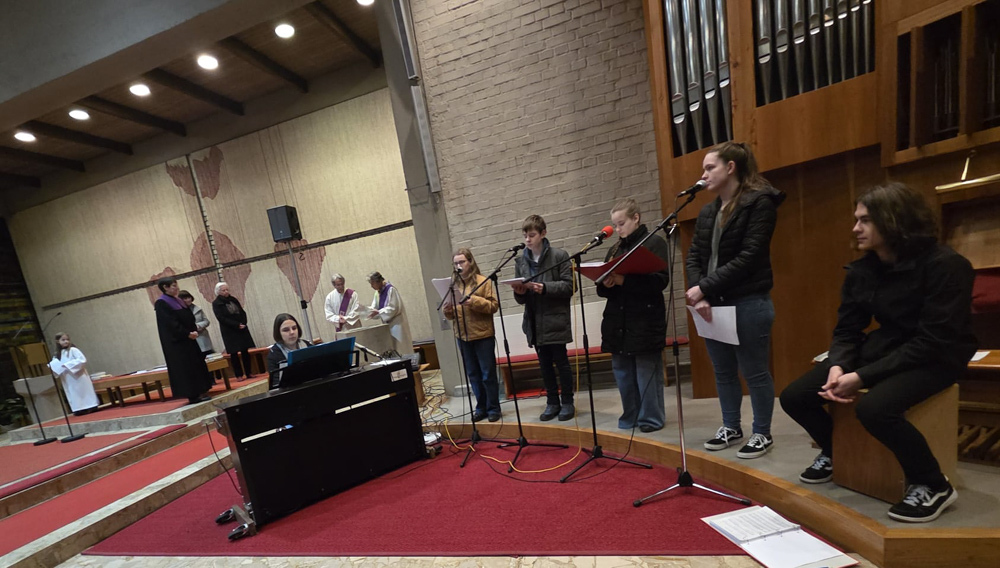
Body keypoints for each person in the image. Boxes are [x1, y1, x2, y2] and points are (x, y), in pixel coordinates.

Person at [780, 182, 976, 523]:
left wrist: (861, 377)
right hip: (890, 345)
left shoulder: (947, 265)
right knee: (795, 396)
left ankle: (933, 484)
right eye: (857, 219)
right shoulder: (863, 270)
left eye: (865, 220)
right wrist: (838, 365)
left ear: (895, 220)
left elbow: (933, 340)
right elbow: (847, 329)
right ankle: (836, 452)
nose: (856, 228)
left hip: (939, 354)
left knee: (875, 408)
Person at [685, 141, 786, 459]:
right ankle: (731, 426)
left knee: (754, 372)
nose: (703, 174)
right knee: (723, 371)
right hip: (712, 304)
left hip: (748, 301)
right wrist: (700, 293)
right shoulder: (708, 211)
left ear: (731, 168)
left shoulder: (759, 203)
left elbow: (749, 256)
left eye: (709, 167)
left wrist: (704, 288)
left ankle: (762, 432)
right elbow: (694, 256)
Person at [597, 198, 670, 433]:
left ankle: (650, 418)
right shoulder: (614, 249)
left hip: (644, 319)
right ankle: (631, 414)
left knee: (646, 372)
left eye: (621, 223)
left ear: (636, 218)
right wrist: (606, 283)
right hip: (617, 320)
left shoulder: (654, 243)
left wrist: (624, 281)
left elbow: (660, 281)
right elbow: (602, 288)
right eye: (615, 225)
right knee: (623, 374)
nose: (618, 229)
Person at [511, 215, 576, 421]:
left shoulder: (559, 256)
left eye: (532, 235)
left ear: (543, 233)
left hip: (555, 319)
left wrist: (545, 287)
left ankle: (567, 402)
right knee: (545, 365)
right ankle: (552, 402)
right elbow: (520, 299)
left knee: (561, 363)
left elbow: (570, 286)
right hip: (534, 320)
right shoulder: (521, 261)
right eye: (525, 235)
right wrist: (520, 292)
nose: (527, 240)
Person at [444, 248, 501, 422]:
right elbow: (451, 315)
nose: (458, 266)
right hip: (463, 336)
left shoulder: (483, 282)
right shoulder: (453, 286)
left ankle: (493, 408)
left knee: (487, 374)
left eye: (462, 262)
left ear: (470, 262)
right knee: (473, 375)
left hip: (482, 335)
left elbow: (493, 306)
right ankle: (481, 407)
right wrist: (448, 310)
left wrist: (473, 301)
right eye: (455, 263)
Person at [154, 277, 213, 404]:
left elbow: (189, 317)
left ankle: (202, 390)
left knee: (196, 364)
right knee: (186, 368)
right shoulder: (162, 303)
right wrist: (187, 333)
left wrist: (193, 330)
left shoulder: (178, 300)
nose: (177, 288)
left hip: (189, 339)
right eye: (174, 285)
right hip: (178, 343)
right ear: (165, 287)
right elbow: (170, 324)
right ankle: (192, 395)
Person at [212, 281, 256, 380]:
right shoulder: (216, 303)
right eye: (223, 290)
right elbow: (221, 318)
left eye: (227, 290)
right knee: (234, 354)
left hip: (241, 328)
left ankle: (249, 372)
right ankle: (238, 375)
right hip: (230, 331)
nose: (226, 292)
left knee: (245, 351)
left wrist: (243, 322)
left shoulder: (233, 299)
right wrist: (236, 325)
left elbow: (242, 312)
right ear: (218, 292)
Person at [48, 332, 99, 415]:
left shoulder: (73, 350)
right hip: (67, 378)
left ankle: (91, 406)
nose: (66, 341)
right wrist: (52, 366)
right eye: (63, 340)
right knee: (72, 392)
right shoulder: (57, 354)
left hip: (79, 376)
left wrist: (67, 365)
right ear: (57, 341)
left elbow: (82, 360)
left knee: (84, 390)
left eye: (67, 339)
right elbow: (55, 363)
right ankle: (78, 408)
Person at [366, 271, 413, 355]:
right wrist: (366, 310)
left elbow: (393, 308)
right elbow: (375, 308)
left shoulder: (391, 289)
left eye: (372, 283)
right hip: (387, 326)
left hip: (397, 324)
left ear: (378, 281)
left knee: (400, 349)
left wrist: (378, 312)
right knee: (392, 349)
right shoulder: (377, 293)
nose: (371, 286)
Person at [266, 313, 311, 389]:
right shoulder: (274, 354)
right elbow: (276, 385)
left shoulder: (307, 345)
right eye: (286, 330)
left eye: (294, 328)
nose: (292, 332)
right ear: (278, 333)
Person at [324, 273, 362, 338]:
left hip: (354, 326)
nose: (341, 286)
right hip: (341, 328)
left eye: (342, 284)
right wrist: (338, 319)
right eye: (338, 285)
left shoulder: (352, 294)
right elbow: (329, 314)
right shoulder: (329, 297)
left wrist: (346, 319)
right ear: (334, 285)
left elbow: (356, 309)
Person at [178, 290, 213, 356]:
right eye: (185, 298)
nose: (188, 300)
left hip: (202, 337)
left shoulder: (198, 308)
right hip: (191, 338)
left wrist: (198, 326)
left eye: (189, 297)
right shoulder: (180, 312)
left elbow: (206, 321)